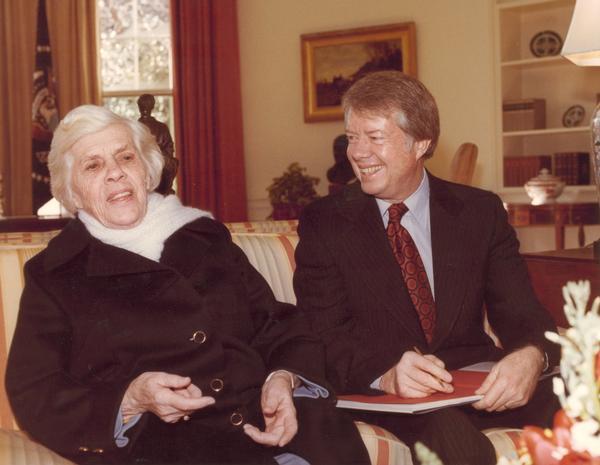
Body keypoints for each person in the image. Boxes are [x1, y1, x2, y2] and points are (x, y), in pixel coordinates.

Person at [5, 105, 370, 465]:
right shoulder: (56, 273)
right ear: (72, 193)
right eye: (93, 166)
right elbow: (35, 390)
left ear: (147, 172)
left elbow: (278, 325)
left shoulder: (205, 238)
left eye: (125, 158)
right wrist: (130, 399)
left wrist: (284, 379)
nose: (115, 174)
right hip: (169, 450)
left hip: (279, 432)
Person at [293, 71, 560, 465]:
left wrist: (533, 354)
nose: (358, 152)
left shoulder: (479, 212)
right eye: (352, 137)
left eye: (375, 137)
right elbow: (322, 331)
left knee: (584, 393)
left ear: (421, 143)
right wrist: (385, 373)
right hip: (390, 395)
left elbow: (521, 310)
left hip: (476, 385)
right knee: (446, 433)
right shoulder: (325, 222)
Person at [137, 93, 178, 195]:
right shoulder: (133, 128)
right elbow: (169, 147)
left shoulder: (133, 128)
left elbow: (169, 148)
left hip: (157, 166)